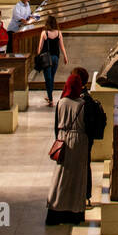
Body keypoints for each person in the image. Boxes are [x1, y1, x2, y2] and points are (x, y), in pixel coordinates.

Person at [45, 70, 89, 225]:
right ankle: (74, 213)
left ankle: (55, 209)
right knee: (77, 179)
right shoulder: (83, 104)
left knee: (60, 177)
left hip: (63, 140)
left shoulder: (61, 102)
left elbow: (56, 125)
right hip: (79, 142)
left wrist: (59, 139)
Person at [73, 67, 107, 208]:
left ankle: (80, 196)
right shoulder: (86, 100)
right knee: (84, 166)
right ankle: (82, 196)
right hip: (84, 139)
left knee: (79, 167)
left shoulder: (77, 100)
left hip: (79, 139)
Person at [37, 14, 68, 106]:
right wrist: (65, 57)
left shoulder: (44, 33)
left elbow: (40, 47)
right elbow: (62, 47)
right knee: (52, 77)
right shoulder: (58, 33)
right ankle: (49, 95)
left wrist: (38, 57)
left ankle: (50, 100)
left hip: (46, 58)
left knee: (48, 79)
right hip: (55, 58)